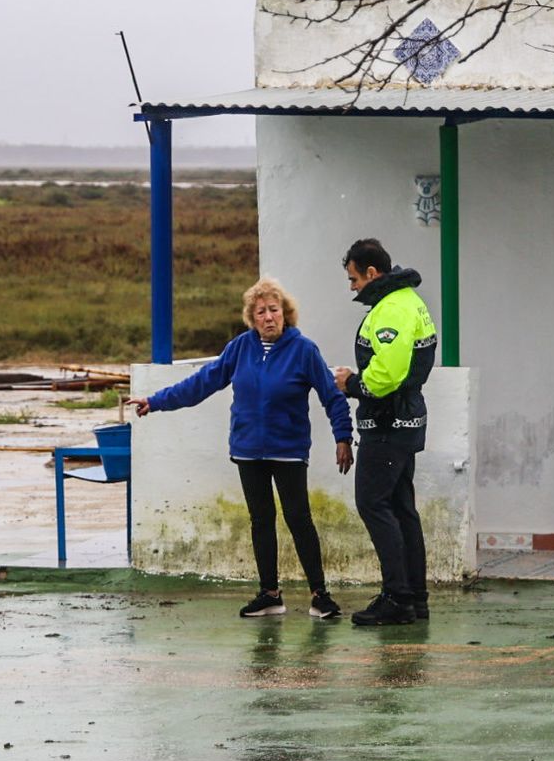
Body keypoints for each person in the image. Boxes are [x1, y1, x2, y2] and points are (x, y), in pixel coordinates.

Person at [129, 277, 354, 618]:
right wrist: (155, 401)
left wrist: (343, 437)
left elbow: (332, 396)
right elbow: (200, 384)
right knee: (260, 520)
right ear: (252, 317)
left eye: (274, 310)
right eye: (261, 311)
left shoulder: (304, 349)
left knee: (298, 519)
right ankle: (270, 594)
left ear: (285, 314)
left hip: (288, 450)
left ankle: (320, 595)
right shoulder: (240, 348)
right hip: (248, 449)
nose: (268, 317)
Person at [334, 238, 438, 627]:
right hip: (406, 421)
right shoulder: (410, 301)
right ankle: (415, 598)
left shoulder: (391, 309)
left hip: (387, 423)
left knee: (373, 504)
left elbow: (389, 373)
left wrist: (352, 384)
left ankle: (397, 597)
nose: (352, 287)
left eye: (353, 278)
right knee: (401, 509)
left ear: (372, 273)